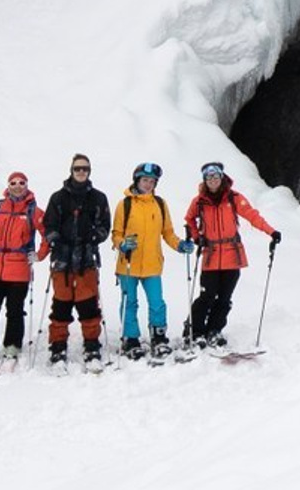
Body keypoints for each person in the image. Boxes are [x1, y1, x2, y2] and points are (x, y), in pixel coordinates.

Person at [183, 160, 279, 350]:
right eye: (209, 177)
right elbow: (189, 219)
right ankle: (195, 331)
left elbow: (252, 215)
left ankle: (214, 330)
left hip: (232, 256)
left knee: (225, 297)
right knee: (207, 296)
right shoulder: (199, 201)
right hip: (211, 255)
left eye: (216, 176)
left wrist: (271, 231)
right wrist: (196, 237)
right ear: (205, 179)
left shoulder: (234, 198)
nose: (212, 180)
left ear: (222, 177)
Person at [42, 154, 110, 368]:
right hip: (62, 258)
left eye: (85, 169)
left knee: (88, 303)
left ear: (90, 171)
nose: (81, 172)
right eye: (78, 168)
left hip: (86, 258)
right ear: (71, 170)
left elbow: (104, 226)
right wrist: (56, 240)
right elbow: (49, 224)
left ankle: (91, 345)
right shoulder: (58, 197)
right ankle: (58, 347)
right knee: (61, 305)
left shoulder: (98, 198)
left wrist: (94, 237)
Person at [0, 171, 47, 361]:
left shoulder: (33, 210)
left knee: (15, 310)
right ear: (8, 186)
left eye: (21, 182)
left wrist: (39, 255)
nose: (17, 186)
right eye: (13, 182)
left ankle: (13, 345)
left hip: (19, 269)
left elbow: (48, 232)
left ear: (26, 185)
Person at [112, 161, 179, 357]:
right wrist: (122, 243)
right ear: (137, 180)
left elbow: (167, 232)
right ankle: (130, 339)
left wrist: (179, 245)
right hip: (128, 265)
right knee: (129, 302)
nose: (148, 184)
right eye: (145, 180)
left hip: (152, 263)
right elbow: (116, 234)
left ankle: (158, 337)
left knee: (157, 302)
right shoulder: (124, 204)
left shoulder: (160, 204)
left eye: (152, 181)